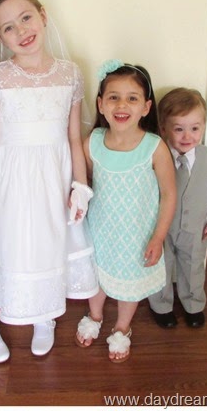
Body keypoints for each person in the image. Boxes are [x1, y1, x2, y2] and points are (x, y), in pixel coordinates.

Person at [0, 0, 98, 363]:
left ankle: (45, 313)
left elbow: (73, 137)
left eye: (26, 18)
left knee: (46, 242)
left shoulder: (70, 73)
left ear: (42, 15)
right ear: (0, 38)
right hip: (8, 176)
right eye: (8, 27)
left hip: (52, 175)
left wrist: (80, 185)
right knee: (2, 243)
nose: (21, 31)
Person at [75, 59, 176, 363]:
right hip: (100, 229)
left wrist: (158, 237)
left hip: (137, 234)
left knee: (128, 282)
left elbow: (169, 194)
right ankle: (95, 314)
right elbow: (86, 180)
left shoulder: (154, 147)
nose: (122, 105)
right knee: (97, 275)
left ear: (146, 107)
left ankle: (122, 326)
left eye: (132, 98)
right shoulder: (93, 142)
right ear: (101, 104)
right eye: (113, 97)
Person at [148, 88, 207, 329]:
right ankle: (161, 305)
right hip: (161, 226)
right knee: (161, 266)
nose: (188, 136)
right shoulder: (157, 156)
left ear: (204, 126)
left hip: (195, 226)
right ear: (164, 129)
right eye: (179, 129)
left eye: (195, 128)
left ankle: (193, 304)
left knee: (193, 265)